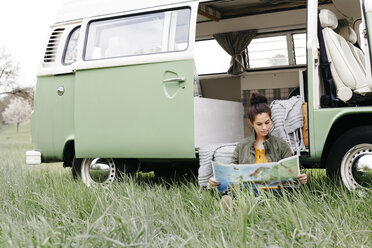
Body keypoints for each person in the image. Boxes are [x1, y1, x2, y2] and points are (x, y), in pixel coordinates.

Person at [209, 92, 307, 207]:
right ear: (251, 123)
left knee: (281, 196)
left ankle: (243, 206)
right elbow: (231, 174)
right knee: (243, 192)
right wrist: (216, 180)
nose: (264, 128)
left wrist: (302, 178)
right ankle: (240, 204)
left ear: (271, 120)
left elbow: (293, 174)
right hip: (248, 190)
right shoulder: (242, 146)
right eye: (259, 124)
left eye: (267, 122)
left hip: (275, 192)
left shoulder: (281, 145)